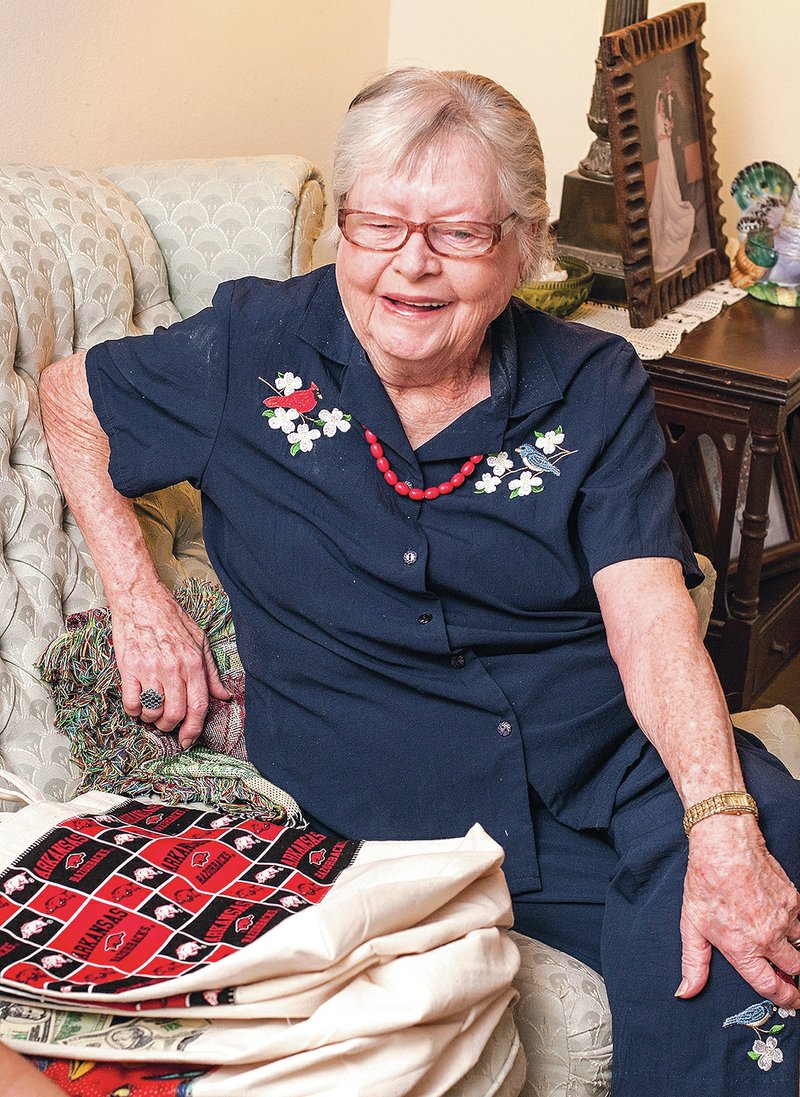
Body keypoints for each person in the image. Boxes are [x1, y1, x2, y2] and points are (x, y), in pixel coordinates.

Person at [40, 68, 799, 1095]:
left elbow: (650, 615)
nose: (410, 264)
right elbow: (69, 398)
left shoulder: (592, 379)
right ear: (341, 229)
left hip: (615, 761)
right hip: (395, 802)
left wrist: (716, 818)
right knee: (715, 964)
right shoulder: (250, 350)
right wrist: (141, 600)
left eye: (457, 233)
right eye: (379, 224)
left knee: (763, 904)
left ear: (523, 247)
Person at [649, 78, 696, 273]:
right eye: (659, 103)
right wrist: (667, 132)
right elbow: (658, 135)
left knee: (676, 172)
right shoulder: (659, 116)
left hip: (672, 145)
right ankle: (672, 198)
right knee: (667, 173)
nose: (661, 105)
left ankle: (678, 193)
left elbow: (680, 118)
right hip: (664, 146)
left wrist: (673, 131)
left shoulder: (673, 100)